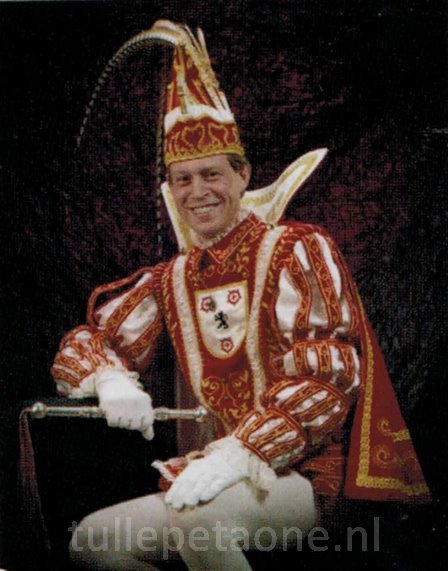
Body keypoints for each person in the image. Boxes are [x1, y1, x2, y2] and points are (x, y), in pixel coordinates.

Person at [51, 20, 430, 570]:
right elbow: (89, 340)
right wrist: (108, 378)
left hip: (305, 474)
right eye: (183, 179)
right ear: (170, 190)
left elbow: (327, 378)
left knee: (198, 519)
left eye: (211, 174)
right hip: (210, 475)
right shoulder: (171, 278)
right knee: (92, 542)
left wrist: (239, 453)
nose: (198, 192)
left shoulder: (297, 248)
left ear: (243, 174)